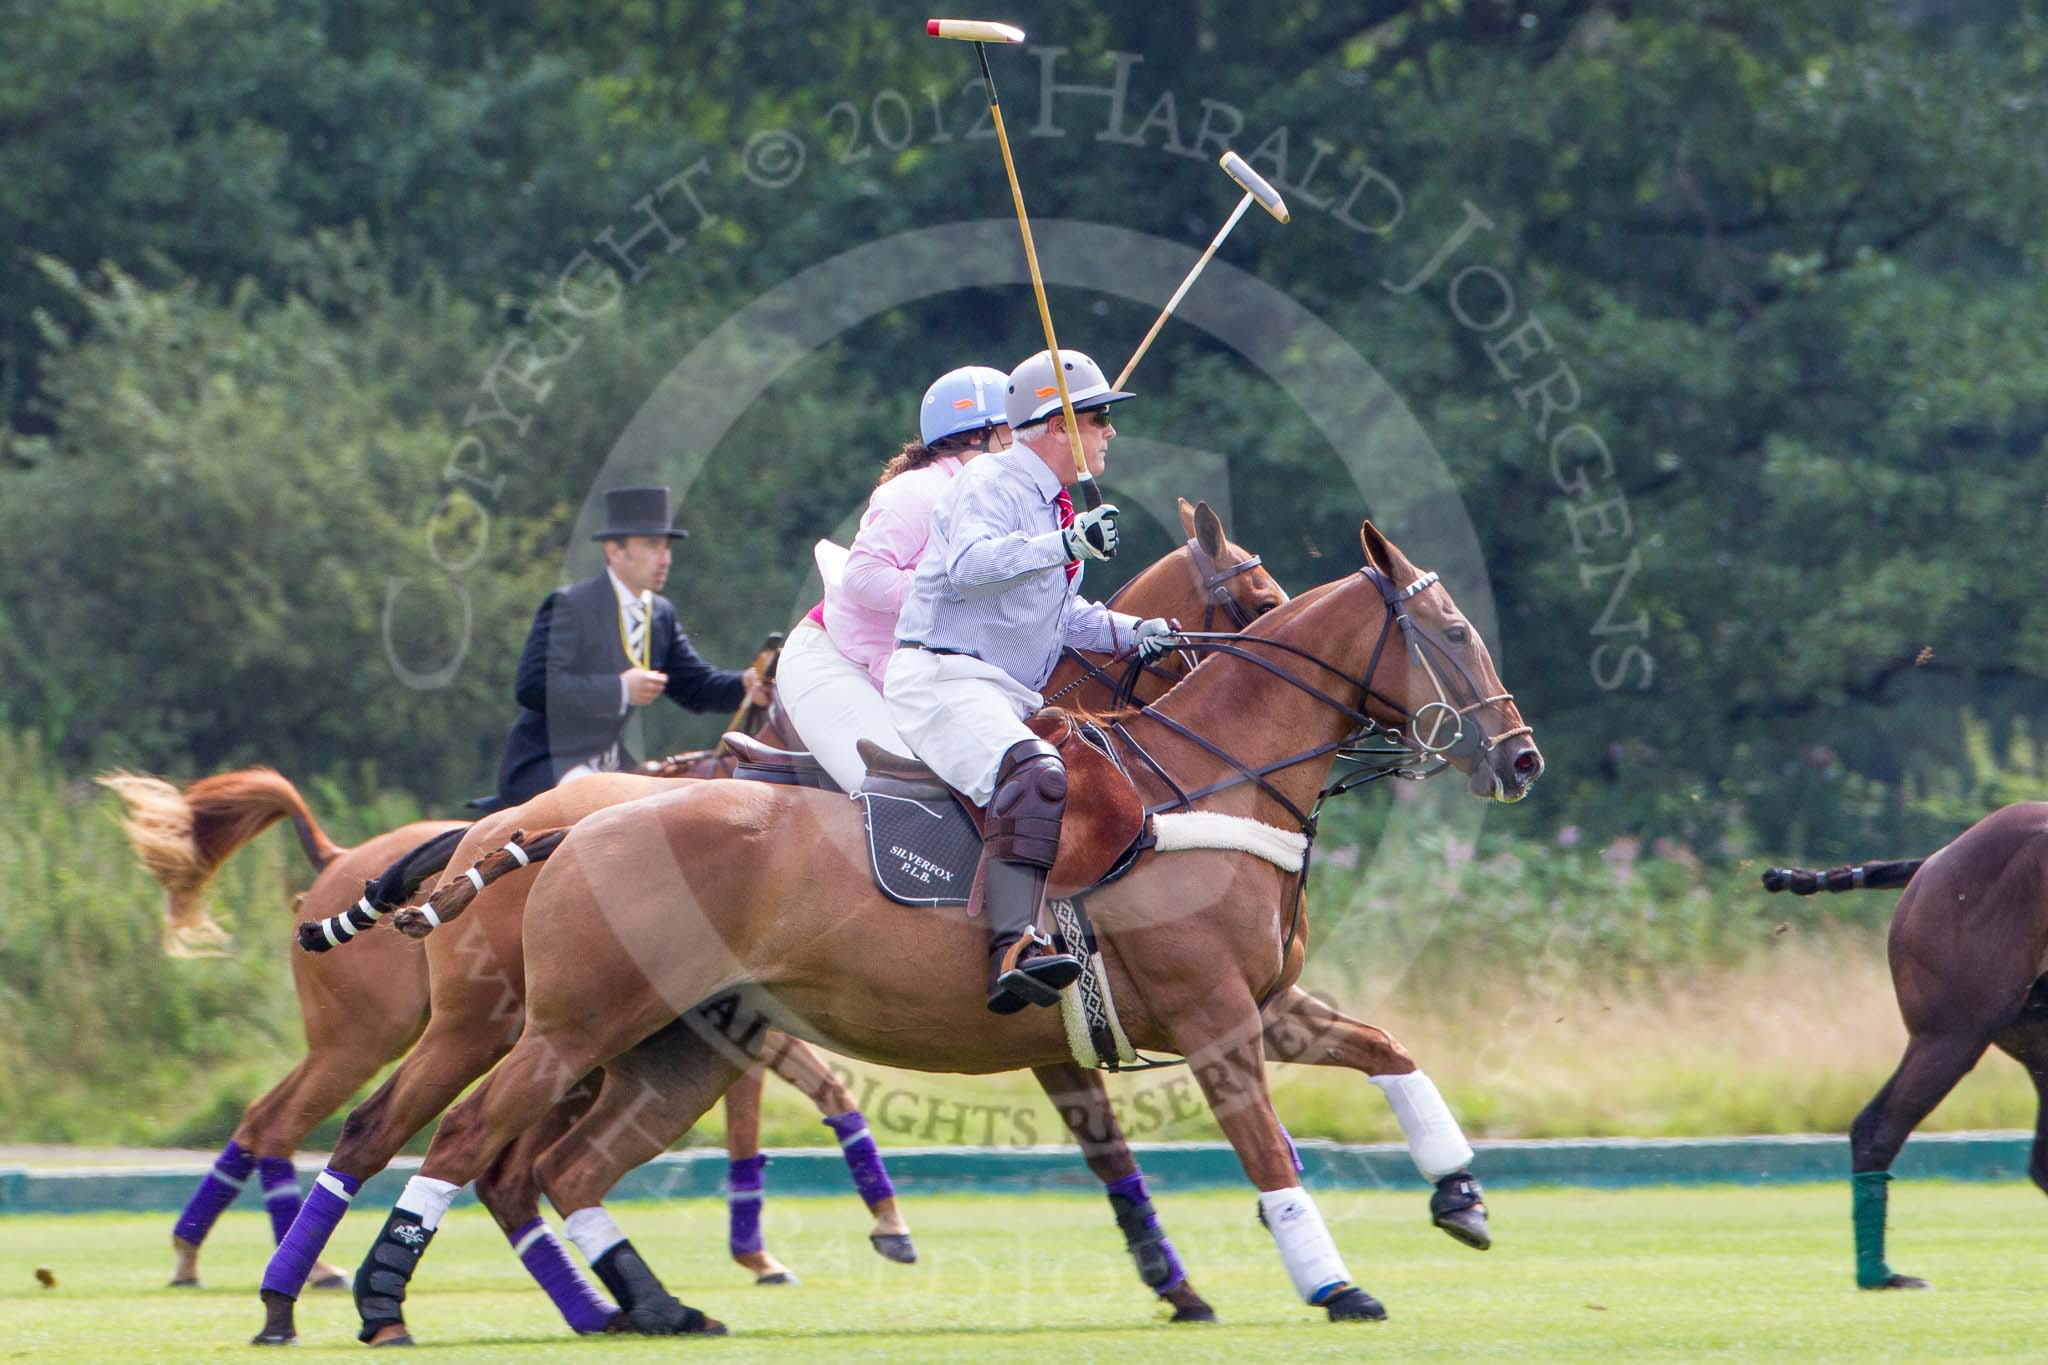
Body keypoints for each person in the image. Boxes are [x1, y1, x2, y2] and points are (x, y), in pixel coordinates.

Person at [885, 349, 1174, 1014]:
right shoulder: (990, 482)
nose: (1110, 433)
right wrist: (1066, 546)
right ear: (1058, 424)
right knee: (1037, 770)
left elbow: (1056, 613)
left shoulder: (1049, 501)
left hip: (996, 688)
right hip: (942, 675)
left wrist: (1138, 632)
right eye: (1099, 418)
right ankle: (1014, 946)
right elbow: (967, 567)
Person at [777, 366, 1012, 794]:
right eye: (1012, 434)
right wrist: (958, 590)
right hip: (835, 664)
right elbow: (863, 578)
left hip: (910, 680)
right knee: (902, 794)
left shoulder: (996, 504)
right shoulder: (917, 492)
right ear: (977, 436)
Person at [489, 485, 771, 808]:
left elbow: (695, 686)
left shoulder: (660, 614)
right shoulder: (571, 605)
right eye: (652, 546)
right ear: (614, 550)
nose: (665, 559)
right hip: (549, 763)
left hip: (611, 767)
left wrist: (743, 684)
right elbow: (533, 686)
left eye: (667, 547)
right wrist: (619, 689)